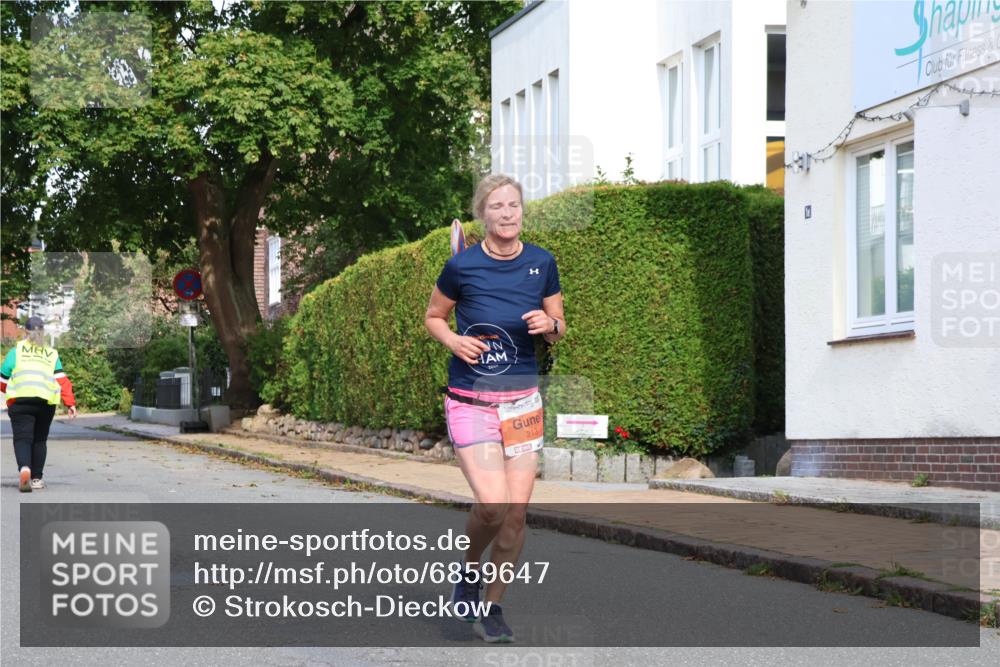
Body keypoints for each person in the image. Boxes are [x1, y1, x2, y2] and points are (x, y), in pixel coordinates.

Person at [424, 174, 565, 643]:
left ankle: (493, 606)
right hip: (471, 402)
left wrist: (551, 323)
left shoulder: (542, 263)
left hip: (523, 403)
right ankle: (467, 575)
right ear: (482, 214)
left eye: (515, 205)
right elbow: (433, 317)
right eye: (498, 206)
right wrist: (454, 340)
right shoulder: (461, 266)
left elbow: (558, 325)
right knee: (492, 505)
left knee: (517, 514)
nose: (507, 214)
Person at [1, 316, 77, 492]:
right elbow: (62, 380)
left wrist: (9, 392)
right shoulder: (51, 353)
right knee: (40, 440)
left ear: (25, 332)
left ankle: (24, 469)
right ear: (42, 332)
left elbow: (2, 379)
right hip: (45, 403)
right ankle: (36, 479)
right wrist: (70, 403)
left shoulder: (16, 351)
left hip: (20, 402)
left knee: (22, 438)